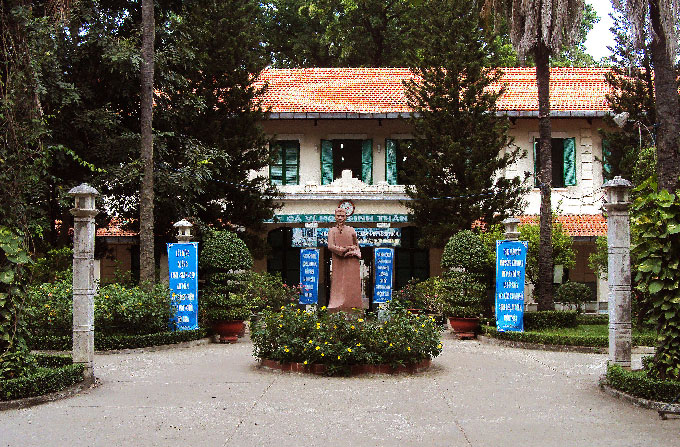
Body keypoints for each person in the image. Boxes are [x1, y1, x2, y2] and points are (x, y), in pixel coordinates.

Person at [327, 207, 362, 311]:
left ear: (346, 217)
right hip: (338, 260)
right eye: (338, 216)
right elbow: (330, 246)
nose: (340, 218)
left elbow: (357, 246)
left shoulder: (351, 230)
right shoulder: (332, 231)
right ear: (335, 217)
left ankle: (353, 305)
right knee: (338, 283)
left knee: (351, 284)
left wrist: (353, 252)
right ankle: (336, 304)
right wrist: (344, 250)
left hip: (351, 261)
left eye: (343, 216)